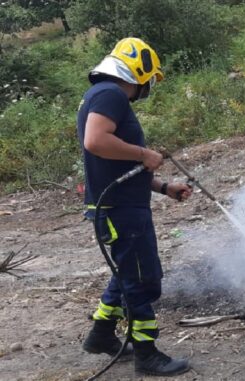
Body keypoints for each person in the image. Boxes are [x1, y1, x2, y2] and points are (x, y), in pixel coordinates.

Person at [76, 37, 192, 377]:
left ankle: (100, 335)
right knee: (142, 281)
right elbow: (96, 141)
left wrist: (164, 187)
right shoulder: (111, 94)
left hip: (119, 204)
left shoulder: (99, 97)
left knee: (128, 273)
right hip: (120, 209)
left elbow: (118, 168)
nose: (147, 87)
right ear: (137, 71)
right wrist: (144, 154)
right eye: (148, 79)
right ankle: (147, 354)